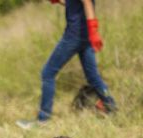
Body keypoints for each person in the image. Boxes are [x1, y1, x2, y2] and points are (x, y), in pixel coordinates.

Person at [17, 0, 116, 129]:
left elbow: (87, 2)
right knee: (93, 77)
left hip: (73, 36)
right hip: (84, 36)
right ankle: (112, 108)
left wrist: (94, 30)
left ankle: (43, 120)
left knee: (48, 73)